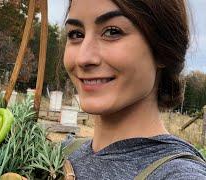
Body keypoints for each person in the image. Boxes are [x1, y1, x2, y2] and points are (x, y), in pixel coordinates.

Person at [62, 0, 206, 179]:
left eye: (112, 31)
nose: (83, 58)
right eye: (76, 34)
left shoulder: (178, 175)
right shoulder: (62, 157)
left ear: (161, 49)